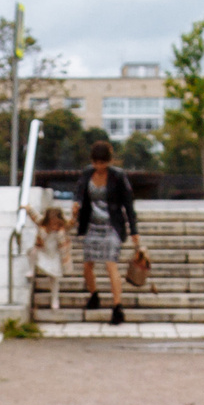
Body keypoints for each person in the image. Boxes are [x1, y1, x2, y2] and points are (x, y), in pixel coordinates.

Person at [73, 140, 142, 326]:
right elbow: (79, 192)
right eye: (96, 162)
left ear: (109, 161)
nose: (99, 166)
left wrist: (133, 230)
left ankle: (117, 307)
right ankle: (94, 294)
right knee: (88, 265)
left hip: (112, 225)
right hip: (92, 225)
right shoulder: (87, 173)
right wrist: (77, 204)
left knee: (111, 264)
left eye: (103, 163)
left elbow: (128, 204)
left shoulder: (118, 176)